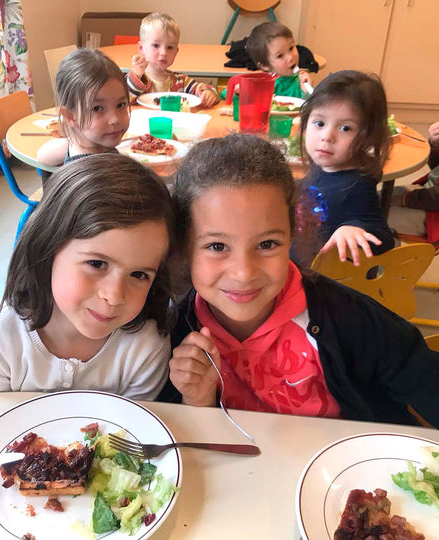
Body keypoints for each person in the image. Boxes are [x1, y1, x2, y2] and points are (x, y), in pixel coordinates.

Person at [161, 133, 439, 428]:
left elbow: (425, 380)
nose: (243, 273)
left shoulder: (349, 319)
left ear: (292, 233)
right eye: (217, 247)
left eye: (267, 244)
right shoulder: (174, 334)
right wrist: (197, 403)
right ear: (184, 246)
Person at [0, 153, 175, 398]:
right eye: (97, 264)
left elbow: (133, 431)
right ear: (47, 248)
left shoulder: (145, 349)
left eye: (139, 274)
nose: (114, 296)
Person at [297, 70, 395, 265]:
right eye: (319, 123)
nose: (327, 136)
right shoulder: (322, 166)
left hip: (326, 284)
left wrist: (353, 228)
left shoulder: (358, 186)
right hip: (300, 264)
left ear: (369, 136)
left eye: (345, 128)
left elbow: (385, 240)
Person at [36, 48, 130, 167]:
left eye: (120, 105)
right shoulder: (99, 175)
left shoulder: (87, 145)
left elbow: (42, 155)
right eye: (97, 108)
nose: (115, 119)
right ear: (71, 116)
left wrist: (70, 142)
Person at [126, 12, 219, 107]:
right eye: (156, 45)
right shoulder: (135, 79)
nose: (163, 53)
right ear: (141, 48)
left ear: (176, 52)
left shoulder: (180, 81)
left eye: (170, 47)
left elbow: (203, 89)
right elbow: (124, 99)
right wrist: (136, 75)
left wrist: (208, 93)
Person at [389, 120, 439, 244]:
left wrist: (408, 198)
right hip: (427, 193)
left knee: (380, 218)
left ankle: (390, 260)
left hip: (433, 217)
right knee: (379, 198)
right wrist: (435, 145)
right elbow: (435, 168)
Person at [245, 22, 313, 98]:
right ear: (265, 65)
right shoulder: (263, 85)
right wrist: (241, 92)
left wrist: (307, 92)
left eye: (291, 48)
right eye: (280, 56)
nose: (290, 57)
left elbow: (311, 107)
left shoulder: (301, 82)